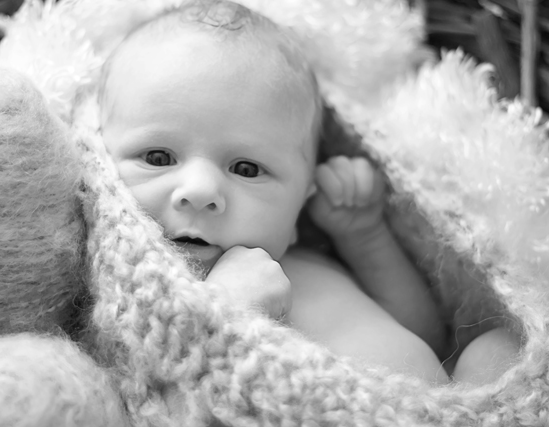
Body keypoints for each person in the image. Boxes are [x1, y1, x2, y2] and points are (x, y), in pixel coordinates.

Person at [99, 0, 520, 385]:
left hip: (447, 405)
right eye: (158, 157)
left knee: (502, 348)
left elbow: (426, 332)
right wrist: (222, 312)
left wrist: (365, 235)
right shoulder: (137, 304)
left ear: (301, 200)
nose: (200, 190)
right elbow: (159, 380)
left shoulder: (312, 261)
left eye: (246, 169)